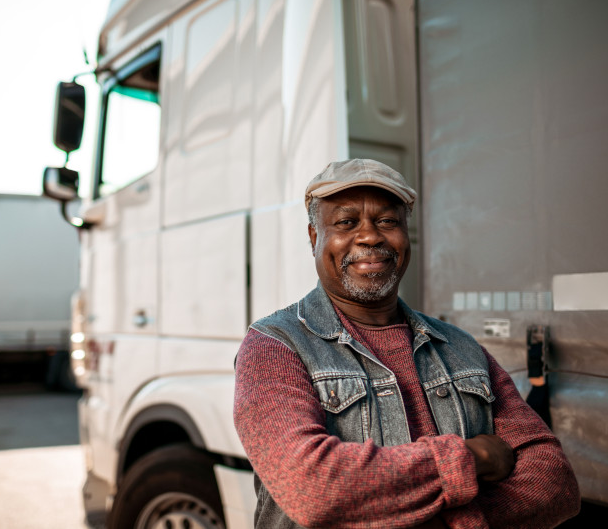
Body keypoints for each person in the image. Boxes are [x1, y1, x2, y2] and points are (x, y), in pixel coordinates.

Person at [233, 159, 580, 528]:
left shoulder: (459, 347)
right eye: (347, 222)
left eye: (387, 221)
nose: (370, 236)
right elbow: (313, 489)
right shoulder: (274, 346)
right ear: (315, 238)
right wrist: (471, 457)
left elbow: (554, 481)